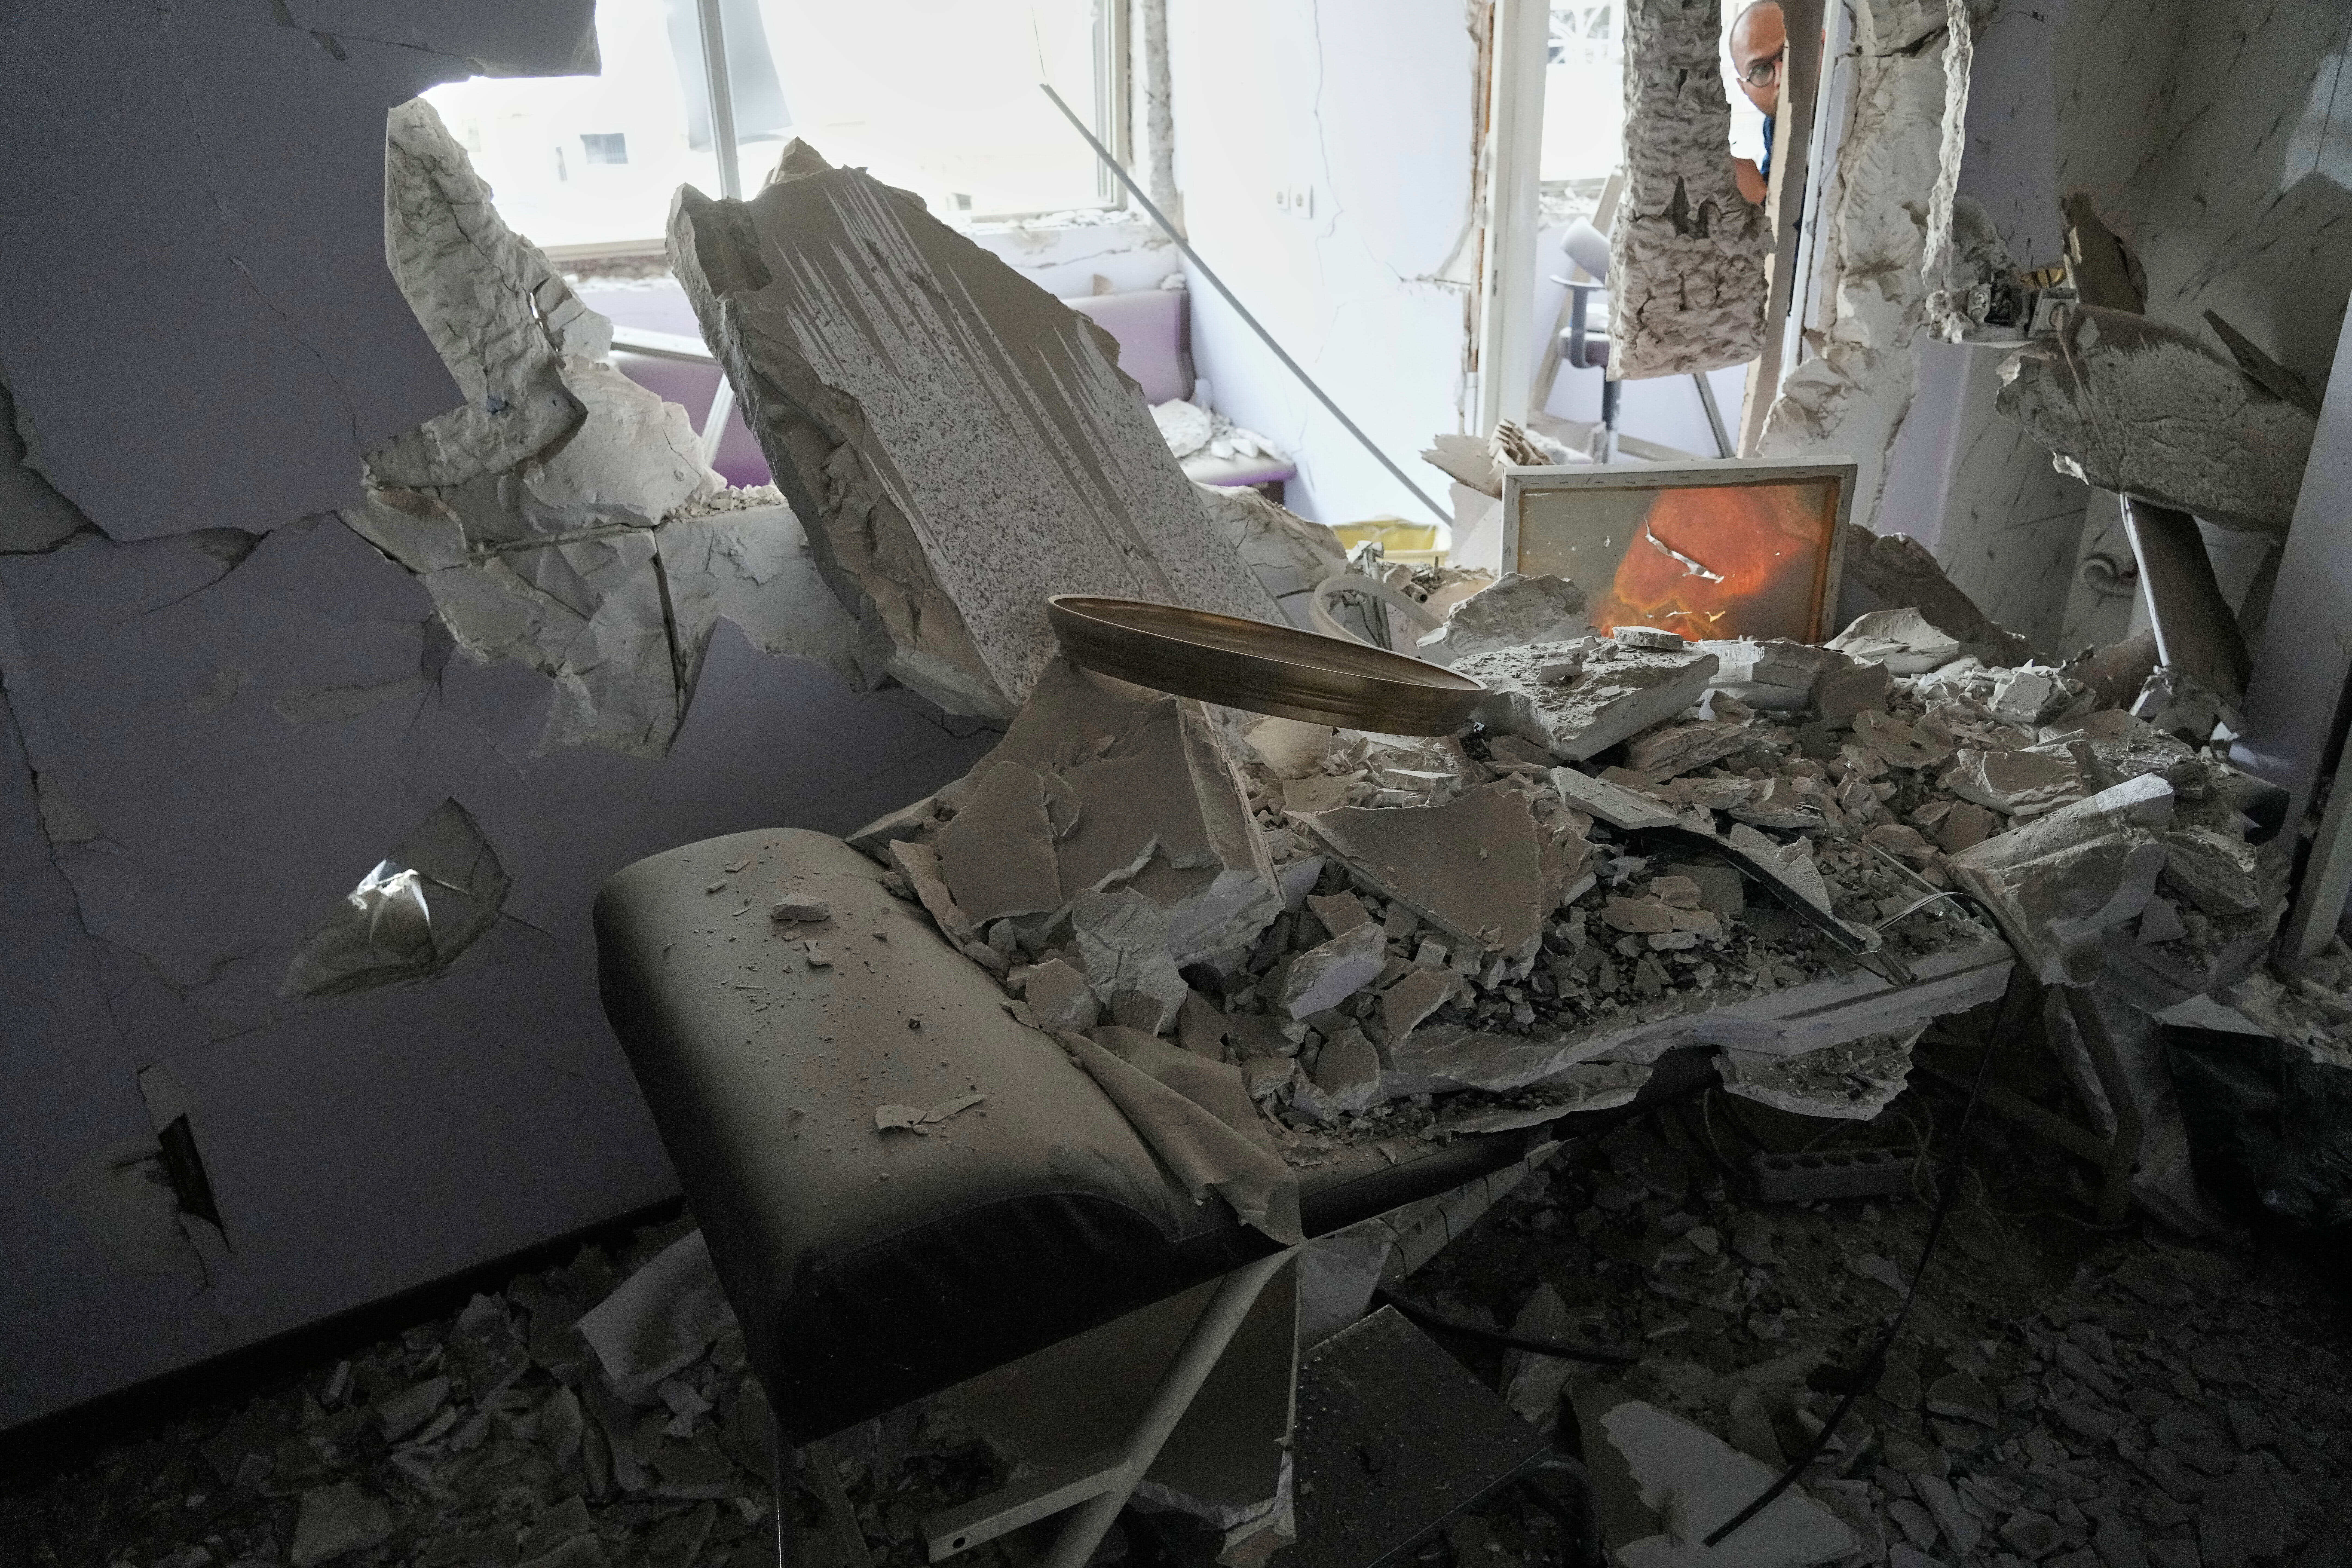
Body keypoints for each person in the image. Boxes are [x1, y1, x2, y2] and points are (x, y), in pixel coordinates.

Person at [1728, 0, 1785, 206]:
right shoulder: (1775, 124)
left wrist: (1763, 198)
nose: (1781, 78)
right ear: (1744, 89)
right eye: (1761, 70)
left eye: (1788, 54)